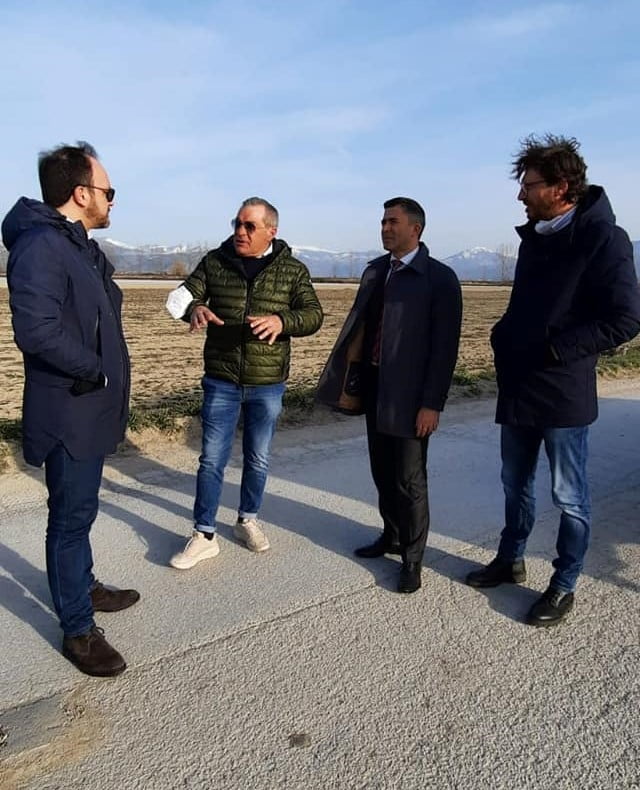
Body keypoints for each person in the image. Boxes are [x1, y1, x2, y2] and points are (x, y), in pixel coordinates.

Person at [466, 134, 640, 626]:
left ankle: (564, 584)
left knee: (569, 495)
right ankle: (510, 559)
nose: (521, 194)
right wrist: (504, 336)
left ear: (561, 187)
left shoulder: (604, 239)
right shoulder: (535, 238)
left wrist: (557, 349)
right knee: (514, 482)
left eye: (529, 185)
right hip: (519, 387)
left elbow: (626, 318)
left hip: (563, 393)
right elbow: (524, 308)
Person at [2, 142, 139, 677]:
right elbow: (35, 332)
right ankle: (78, 630)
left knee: (81, 511)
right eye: (109, 191)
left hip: (89, 406)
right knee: (69, 518)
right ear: (82, 193)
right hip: (69, 407)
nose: (112, 200)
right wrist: (96, 370)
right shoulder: (41, 245)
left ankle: (83, 586)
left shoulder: (76, 245)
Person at [167, 197, 323, 569]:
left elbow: (313, 314)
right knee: (211, 459)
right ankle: (204, 534)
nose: (240, 231)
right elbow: (178, 298)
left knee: (258, 457)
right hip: (221, 379)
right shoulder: (215, 262)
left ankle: (247, 520)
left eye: (249, 226)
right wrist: (194, 309)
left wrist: (282, 321)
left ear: (271, 231)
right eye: (237, 223)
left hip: (267, 382)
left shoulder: (292, 270)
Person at [317, 198, 462, 593]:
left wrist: (432, 403)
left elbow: (444, 350)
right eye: (382, 221)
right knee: (382, 470)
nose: (384, 228)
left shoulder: (439, 278)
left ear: (416, 229)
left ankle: (412, 560)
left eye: (393, 222)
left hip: (412, 396)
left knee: (409, 479)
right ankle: (392, 535)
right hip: (376, 387)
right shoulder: (377, 271)